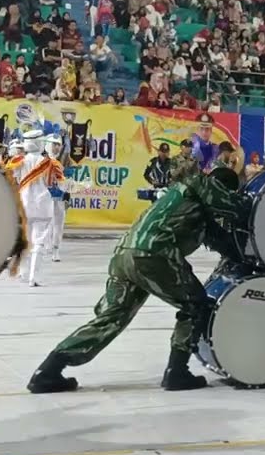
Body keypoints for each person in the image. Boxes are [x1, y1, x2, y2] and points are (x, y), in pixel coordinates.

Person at [27, 167, 252, 394]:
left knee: (111, 318)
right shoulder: (202, 184)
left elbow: (223, 243)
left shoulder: (187, 201)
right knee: (196, 305)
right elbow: (241, 209)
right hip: (153, 254)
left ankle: (48, 370)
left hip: (125, 254)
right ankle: (177, 371)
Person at [6, 130, 62, 287]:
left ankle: (23, 273)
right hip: (43, 204)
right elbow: (53, 183)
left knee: (27, 239)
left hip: (25, 203)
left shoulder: (18, 161)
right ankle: (34, 277)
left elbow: (13, 178)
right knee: (39, 241)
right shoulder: (49, 163)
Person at [46, 133, 71, 262]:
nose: (56, 147)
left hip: (59, 197)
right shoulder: (41, 160)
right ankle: (46, 246)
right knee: (47, 223)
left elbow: (68, 180)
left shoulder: (65, 160)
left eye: (58, 145)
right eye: (54, 144)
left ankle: (56, 249)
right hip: (45, 198)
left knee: (59, 224)